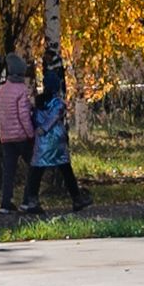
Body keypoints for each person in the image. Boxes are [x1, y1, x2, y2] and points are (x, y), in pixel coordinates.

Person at [29, 67, 91, 213]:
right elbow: (54, 117)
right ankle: (76, 199)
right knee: (65, 169)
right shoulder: (58, 103)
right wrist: (45, 128)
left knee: (37, 170)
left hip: (41, 142)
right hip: (56, 141)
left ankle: (32, 201)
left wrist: (38, 129)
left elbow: (34, 118)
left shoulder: (39, 102)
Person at [0, 59, 36, 213]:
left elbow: (0, 114)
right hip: (21, 137)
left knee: (8, 171)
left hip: (6, 136)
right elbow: (23, 116)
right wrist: (30, 133)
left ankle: (5, 203)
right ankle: (27, 201)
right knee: (34, 165)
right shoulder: (21, 90)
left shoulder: (1, 90)